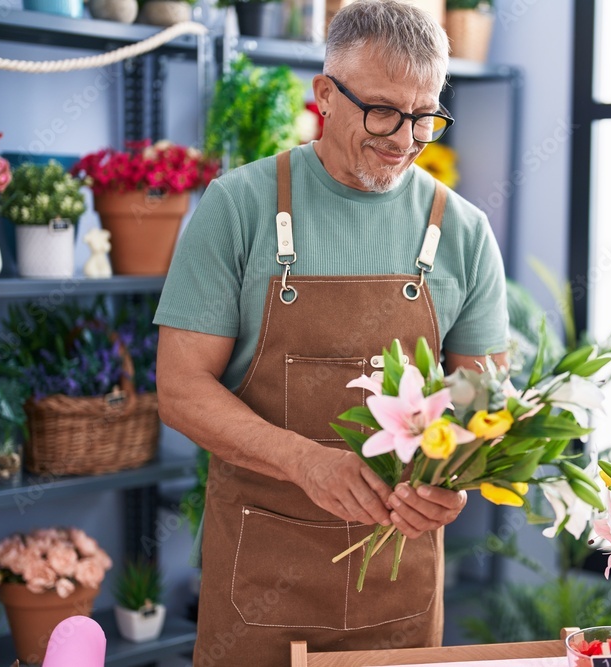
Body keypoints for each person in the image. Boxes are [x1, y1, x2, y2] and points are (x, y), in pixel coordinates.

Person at [153, 1, 509, 664]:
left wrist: (454, 478)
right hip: (258, 585)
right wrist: (304, 460)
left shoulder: (461, 231)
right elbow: (178, 388)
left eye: (423, 115)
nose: (403, 139)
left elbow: (484, 404)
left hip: (396, 591)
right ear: (324, 96)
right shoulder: (239, 206)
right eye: (382, 111)